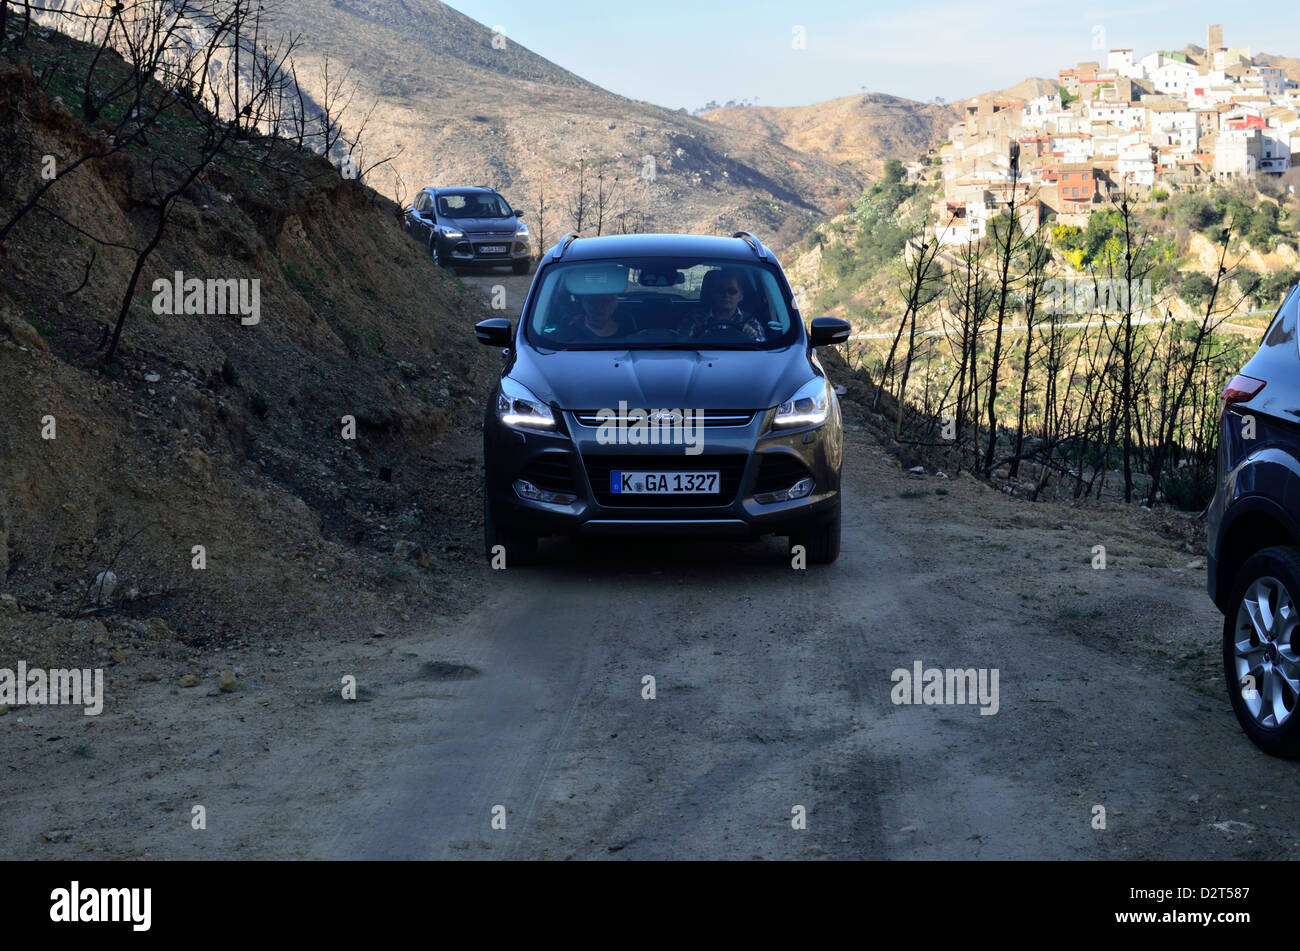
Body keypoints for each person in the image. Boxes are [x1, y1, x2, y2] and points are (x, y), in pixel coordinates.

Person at [680, 268, 766, 341]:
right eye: (720, 291)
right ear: (712, 293)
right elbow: (681, 348)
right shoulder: (694, 320)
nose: (726, 295)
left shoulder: (751, 323)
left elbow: (762, 352)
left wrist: (752, 337)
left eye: (732, 291)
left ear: (740, 295)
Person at [559, 292, 629, 341]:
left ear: (615, 304)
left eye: (605, 301)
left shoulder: (628, 327)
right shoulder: (570, 327)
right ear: (583, 304)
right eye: (592, 301)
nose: (598, 307)